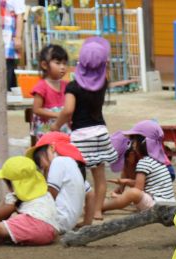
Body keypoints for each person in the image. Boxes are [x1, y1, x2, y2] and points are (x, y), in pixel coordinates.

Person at [55, 37, 117, 221]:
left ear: (80, 62)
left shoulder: (73, 87)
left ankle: (82, 209)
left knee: (78, 178)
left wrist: (57, 125)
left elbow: (68, 110)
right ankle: (97, 211)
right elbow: (104, 70)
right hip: (100, 133)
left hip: (81, 136)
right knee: (100, 177)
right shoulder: (103, 83)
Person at [27, 131, 95, 231]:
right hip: (67, 223)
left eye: (38, 158)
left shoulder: (58, 161)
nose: (41, 166)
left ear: (52, 148)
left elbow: (51, 193)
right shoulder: (73, 166)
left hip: (57, 220)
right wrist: (87, 222)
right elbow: (91, 194)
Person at [103, 120, 176, 213]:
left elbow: (138, 190)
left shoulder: (144, 162)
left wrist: (121, 197)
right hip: (168, 204)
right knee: (133, 193)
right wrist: (125, 182)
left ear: (143, 143)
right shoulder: (159, 160)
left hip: (156, 205)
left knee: (132, 192)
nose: (133, 145)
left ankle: (103, 206)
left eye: (134, 141)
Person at [30, 44, 70, 144]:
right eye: (58, 63)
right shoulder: (41, 86)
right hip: (46, 129)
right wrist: (57, 115)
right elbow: (36, 109)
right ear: (44, 65)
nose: (62, 67)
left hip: (63, 128)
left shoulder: (67, 85)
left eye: (64, 63)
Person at [1, 0, 26, 90]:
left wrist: (18, 37)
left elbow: (20, 15)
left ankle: (6, 91)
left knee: (7, 64)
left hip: (8, 31)